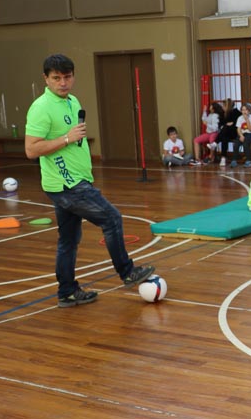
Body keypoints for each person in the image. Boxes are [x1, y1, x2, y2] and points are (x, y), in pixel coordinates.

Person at [24, 54, 154, 307]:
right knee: (112, 218)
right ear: (46, 79)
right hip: (67, 185)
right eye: (56, 78)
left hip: (75, 180)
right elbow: (31, 150)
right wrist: (67, 138)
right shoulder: (41, 108)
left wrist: (73, 142)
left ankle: (67, 292)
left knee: (68, 240)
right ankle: (127, 272)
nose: (63, 83)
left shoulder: (72, 101)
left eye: (67, 77)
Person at [216, 98, 242, 167]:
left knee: (226, 128)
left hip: (235, 133)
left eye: (223, 105)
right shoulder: (222, 114)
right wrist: (227, 124)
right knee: (224, 137)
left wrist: (229, 125)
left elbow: (237, 124)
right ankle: (223, 158)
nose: (222, 107)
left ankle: (215, 142)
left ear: (227, 106)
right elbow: (220, 124)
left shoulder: (236, 112)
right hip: (225, 134)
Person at [233, 102, 251, 168]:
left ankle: (248, 161)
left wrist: (247, 119)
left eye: (246, 110)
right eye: (243, 110)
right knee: (236, 144)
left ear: (249, 111)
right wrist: (241, 135)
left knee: (245, 144)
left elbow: (250, 129)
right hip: (242, 134)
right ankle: (234, 160)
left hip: (250, 134)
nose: (244, 111)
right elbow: (238, 129)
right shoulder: (239, 118)